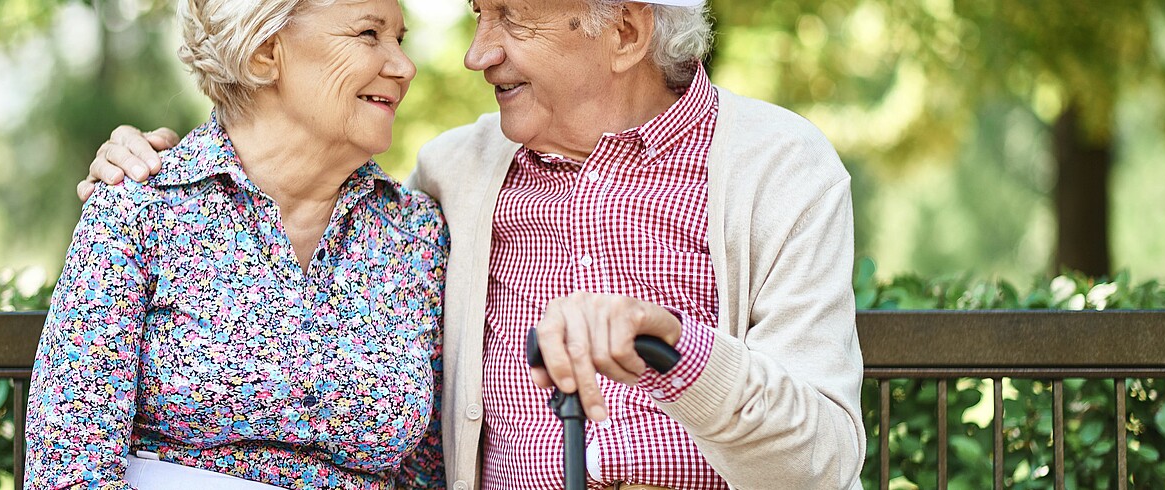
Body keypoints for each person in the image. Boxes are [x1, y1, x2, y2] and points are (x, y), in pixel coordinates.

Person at [82, 0, 866, 488]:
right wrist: (147, 164)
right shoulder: (451, 178)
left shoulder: (780, 168)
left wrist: (675, 350)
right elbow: (282, 178)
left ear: (625, 30)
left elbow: (823, 465)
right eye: (476, 15)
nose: (473, 53)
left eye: (510, 18)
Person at [24, 0, 448, 488]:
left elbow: (427, 471)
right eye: (369, 35)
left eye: (401, 39)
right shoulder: (141, 207)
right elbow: (70, 467)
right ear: (264, 53)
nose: (404, 66)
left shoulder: (416, 232)